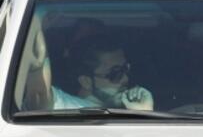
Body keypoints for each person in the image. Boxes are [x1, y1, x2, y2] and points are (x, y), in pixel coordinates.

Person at [21, 23, 153, 111]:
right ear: (86, 81)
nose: (125, 79)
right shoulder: (61, 104)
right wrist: (36, 21)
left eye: (126, 69)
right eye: (116, 73)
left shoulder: (127, 106)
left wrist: (144, 113)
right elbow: (38, 92)